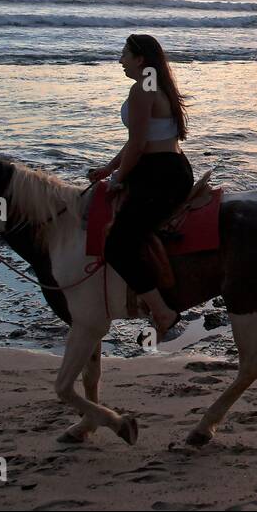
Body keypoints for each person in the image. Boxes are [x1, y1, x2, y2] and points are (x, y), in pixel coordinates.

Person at [88, 34, 193, 335]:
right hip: (170, 168)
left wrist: (117, 179)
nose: (120, 60)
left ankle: (162, 313)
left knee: (118, 244)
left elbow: (137, 145)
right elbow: (139, 140)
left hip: (159, 176)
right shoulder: (156, 86)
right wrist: (110, 167)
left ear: (140, 59)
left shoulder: (141, 89)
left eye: (124, 54)